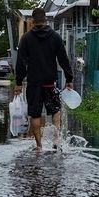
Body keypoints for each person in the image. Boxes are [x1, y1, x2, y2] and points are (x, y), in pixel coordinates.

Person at [14, 8, 73, 150]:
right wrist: (69, 78)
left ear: (32, 21)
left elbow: (20, 62)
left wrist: (18, 82)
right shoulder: (55, 37)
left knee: (35, 114)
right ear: (46, 19)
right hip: (49, 82)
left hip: (34, 82)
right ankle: (56, 139)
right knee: (55, 110)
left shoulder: (26, 39)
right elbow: (63, 59)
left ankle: (39, 146)